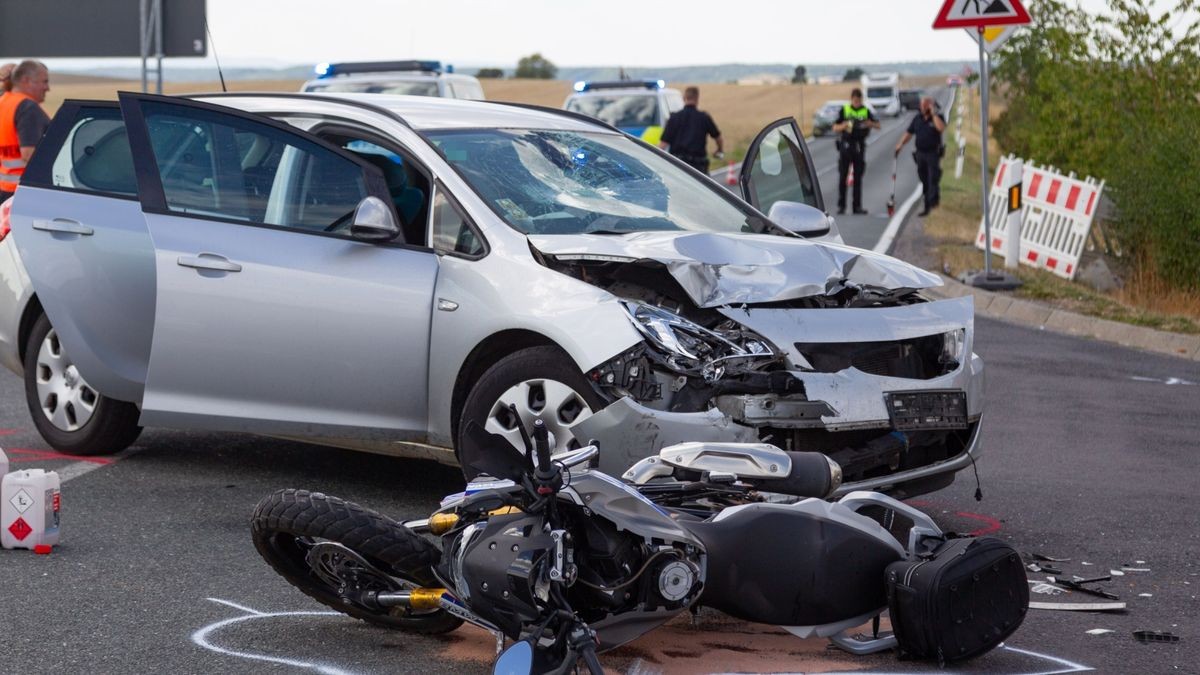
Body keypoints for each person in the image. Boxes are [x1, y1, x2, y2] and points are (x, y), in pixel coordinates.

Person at [0, 60, 51, 202]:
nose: (47, 88)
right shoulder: (27, 108)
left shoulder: (4, 102)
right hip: (26, 191)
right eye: (44, 81)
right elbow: (29, 154)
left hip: (5, 189)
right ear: (26, 80)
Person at [894, 96, 946, 217]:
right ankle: (928, 205)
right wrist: (900, 145)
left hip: (933, 153)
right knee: (924, 180)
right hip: (920, 154)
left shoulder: (937, 118)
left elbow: (941, 128)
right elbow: (909, 133)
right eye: (922, 105)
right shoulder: (917, 119)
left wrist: (933, 114)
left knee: (933, 179)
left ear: (930, 106)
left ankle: (932, 205)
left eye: (925, 105)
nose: (922, 107)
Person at [832, 88, 880, 215]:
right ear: (852, 99)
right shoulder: (845, 110)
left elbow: (878, 125)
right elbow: (835, 127)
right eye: (855, 100)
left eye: (859, 100)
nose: (857, 103)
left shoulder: (865, 111)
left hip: (859, 146)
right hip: (846, 146)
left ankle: (857, 206)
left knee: (858, 178)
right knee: (843, 176)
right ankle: (842, 206)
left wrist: (870, 124)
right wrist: (845, 125)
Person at [659, 86, 724, 173]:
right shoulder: (704, 117)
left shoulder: (674, 118)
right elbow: (718, 138)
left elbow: (663, 144)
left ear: (684, 98)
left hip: (678, 166)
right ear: (697, 99)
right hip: (698, 168)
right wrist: (719, 150)